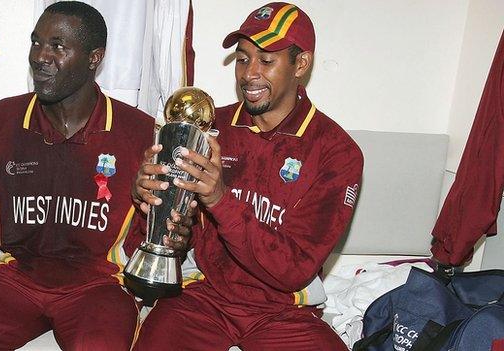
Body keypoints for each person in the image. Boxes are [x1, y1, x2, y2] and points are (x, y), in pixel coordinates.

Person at [0, 2, 189, 350]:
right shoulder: (4, 118)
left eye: (58, 46)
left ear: (93, 58)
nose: (40, 56)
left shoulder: (141, 131)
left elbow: (156, 238)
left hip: (99, 286)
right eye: (35, 42)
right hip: (16, 278)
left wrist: (162, 221)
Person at [131, 2, 363, 350]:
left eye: (266, 60)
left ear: (301, 64)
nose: (249, 73)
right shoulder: (210, 128)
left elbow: (296, 269)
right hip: (205, 296)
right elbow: (180, 235)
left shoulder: (336, 152)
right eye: (242, 59)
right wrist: (150, 205)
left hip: (284, 310)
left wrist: (221, 201)